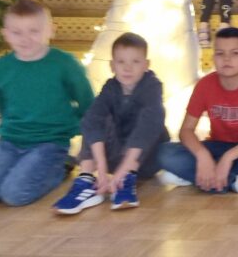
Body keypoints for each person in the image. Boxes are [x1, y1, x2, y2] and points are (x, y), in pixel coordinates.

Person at [0, 0, 95, 207]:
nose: (25, 39)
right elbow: (4, 107)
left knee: (14, 195)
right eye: (17, 32)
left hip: (50, 143)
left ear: (50, 30)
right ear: (6, 34)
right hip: (10, 143)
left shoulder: (65, 64)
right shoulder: (0, 69)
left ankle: (60, 168)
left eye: (34, 31)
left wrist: (74, 128)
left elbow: (87, 102)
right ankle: (20, 167)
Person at [52, 32, 168, 214]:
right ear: (112, 66)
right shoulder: (110, 87)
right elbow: (92, 120)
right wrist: (101, 167)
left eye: (135, 62)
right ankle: (86, 180)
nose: (128, 68)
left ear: (146, 65)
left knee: (150, 119)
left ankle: (126, 180)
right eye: (121, 62)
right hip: (113, 160)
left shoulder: (152, 87)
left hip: (144, 160)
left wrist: (123, 170)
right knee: (94, 118)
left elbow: (148, 128)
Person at [157, 27, 238, 194]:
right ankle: (236, 182)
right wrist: (202, 156)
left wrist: (228, 158)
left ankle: (202, 178)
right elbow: (186, 130)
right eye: (220, 53)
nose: (226, 59)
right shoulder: (205, 85)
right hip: (215, 146)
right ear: (213, 57)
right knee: (164, 152)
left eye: (235, 53)